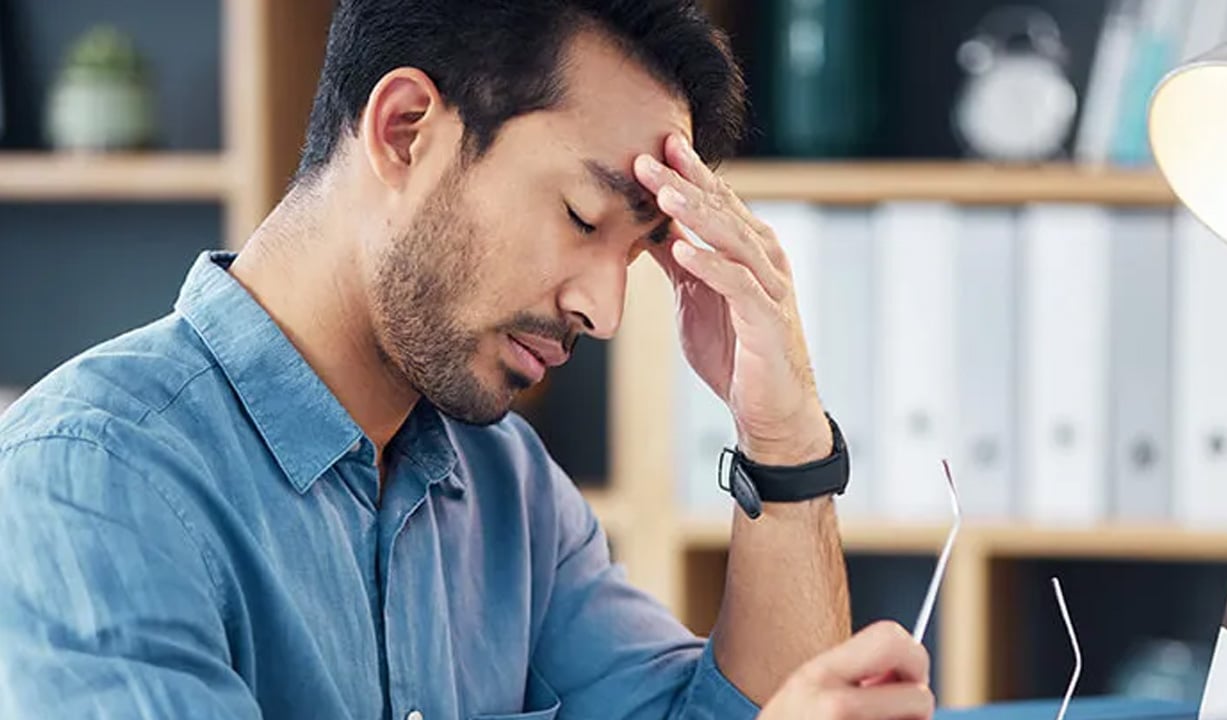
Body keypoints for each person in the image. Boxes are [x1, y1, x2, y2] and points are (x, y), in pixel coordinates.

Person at [0, 1, 935, 718]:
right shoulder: (89, 475)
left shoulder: (511, 495)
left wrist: (784, 435)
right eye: (580, 218)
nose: (605, 312)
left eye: (636, 252)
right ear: (406, 129)